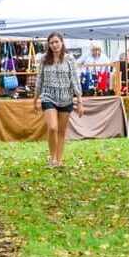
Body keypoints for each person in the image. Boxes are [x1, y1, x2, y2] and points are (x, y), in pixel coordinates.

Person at [33, 32, 83, 168]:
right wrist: (35, 99)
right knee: (53, 128)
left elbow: (75, 80)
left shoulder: (70, 59)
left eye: (56, 42)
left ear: (62, 42)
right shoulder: (44, 59)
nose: (55, 45)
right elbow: (39, 80)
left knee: (61, 131)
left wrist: (79, 101)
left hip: (66, 98)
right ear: (48, 45)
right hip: (49, 96)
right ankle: (52, 159)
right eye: (52, 43)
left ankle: (59, 160)